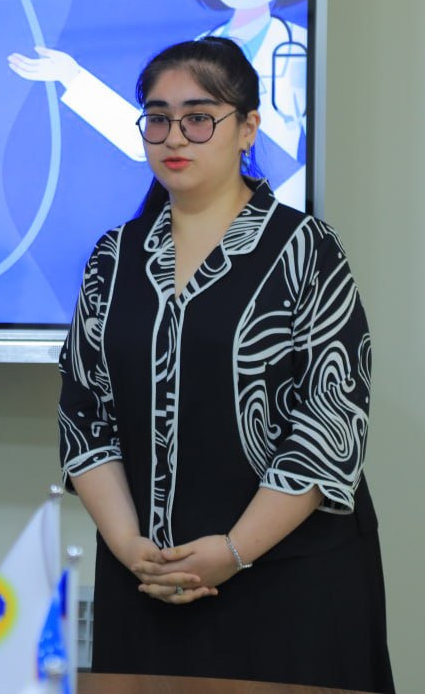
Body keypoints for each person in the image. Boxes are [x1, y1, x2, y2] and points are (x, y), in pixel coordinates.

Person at [57, 38, 393, 691]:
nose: (174, 136)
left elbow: (331, 424)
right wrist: (130, 548)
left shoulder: (306, 249)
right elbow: (84, 413)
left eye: (198, 117)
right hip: (146, 578)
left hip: (288, 578)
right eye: (158, 118)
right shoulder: (113, 256)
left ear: (248, 128)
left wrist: (233, 552)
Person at [9, 0, 310, 208]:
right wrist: (72, 76)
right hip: (206, 211)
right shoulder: (196, 55)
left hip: (280, 203)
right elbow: (147, 138)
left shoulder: (298, 47)